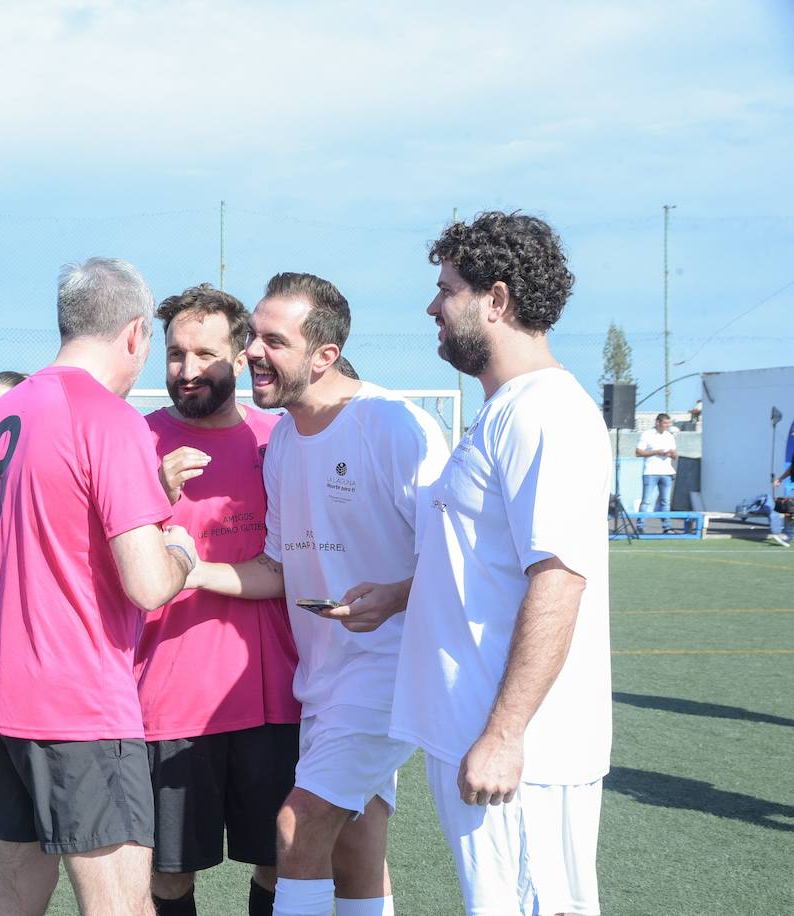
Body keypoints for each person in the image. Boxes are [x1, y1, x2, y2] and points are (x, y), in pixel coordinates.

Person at [185, 272, 449, 916]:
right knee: (356, 850)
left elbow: (459, 561)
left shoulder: (394, 427)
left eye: (274, 341)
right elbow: (276, 568)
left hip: (389, 672)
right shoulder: (282, 440)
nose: (251, 352)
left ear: (325, 355)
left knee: (297, 829)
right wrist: (189, 570)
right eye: (253, 336)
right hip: (322, 679)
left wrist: (395, 596)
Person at [390, 211, 612, 916]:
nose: (433, 307)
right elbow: (487, 562)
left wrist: (506, 734)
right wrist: (396, 595)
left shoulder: (546, 413)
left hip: (523, 754)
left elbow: (559, 578)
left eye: (446, 289)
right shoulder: (506, 408)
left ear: (497, 299)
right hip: (477, 735)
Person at [0, 257, 199, 916]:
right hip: (77, 705)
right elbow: (148, 584)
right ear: (136, 333)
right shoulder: (110, 417)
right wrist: (180, 550)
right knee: (122, 906)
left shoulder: (6, 411)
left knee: (15, 895)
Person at [136, 284, 300, 916]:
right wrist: (152, 496)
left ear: (239, 355)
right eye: (176, 354)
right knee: (169, 874)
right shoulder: (136, 441)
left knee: (282, 860)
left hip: (276, 697)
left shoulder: (279, 440)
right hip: (168, 700)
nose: (187, 369)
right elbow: (100, 563)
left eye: (205, 354)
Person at [636, 413, 678, 532]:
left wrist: (671, 454)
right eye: (665, 423)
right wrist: (656, 452)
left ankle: (667, 527)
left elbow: (675, 454)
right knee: (646, 501)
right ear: (658, 422)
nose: (667, 425)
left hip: (666, 472)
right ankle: (640, 526)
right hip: (651, 472)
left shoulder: (669, 436)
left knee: (665, 502)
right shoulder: (647, 434)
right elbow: (638, 452)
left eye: (668, 423)